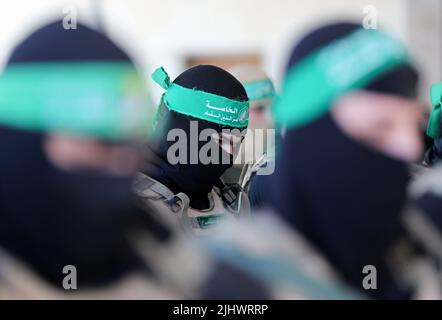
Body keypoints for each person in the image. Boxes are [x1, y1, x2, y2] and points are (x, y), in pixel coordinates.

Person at [192, 22, 441, 300]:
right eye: (379, 128)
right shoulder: (236, 278)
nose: (409, 147)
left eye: (414, 124)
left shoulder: (421, 240)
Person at [0, 20, 182, 298]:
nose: (122, 165)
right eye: (102, 141)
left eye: (133, 144)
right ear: (25, 138)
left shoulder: (154, 241)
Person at [134, 65, 251, 235]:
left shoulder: (234, 204)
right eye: (219, 140)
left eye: (237, 142)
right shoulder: (125, 205)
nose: (229, 155)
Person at [222, 64, 277, 187]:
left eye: (273, 108)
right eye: (260, 108)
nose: (270, 118)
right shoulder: (209, 182)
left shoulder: (277, 170)